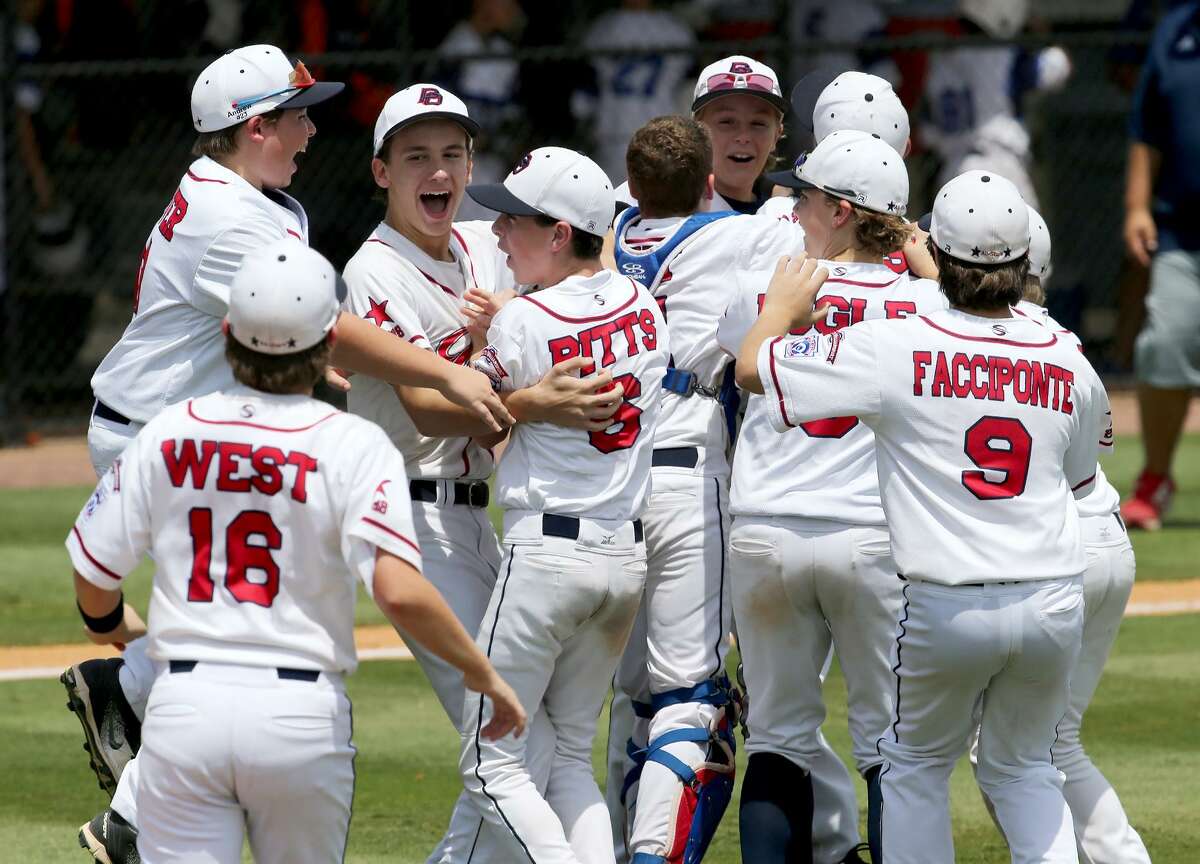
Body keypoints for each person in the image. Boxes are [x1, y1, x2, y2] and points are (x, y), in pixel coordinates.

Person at [61, 44, 510, 863]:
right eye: (297, 115)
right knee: (241, 614)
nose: (311, 128)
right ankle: (130, 809)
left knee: (233, 605)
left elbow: (306, 323)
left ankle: (126, 693)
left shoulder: (251, 194)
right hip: (159, 433)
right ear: (254, 126)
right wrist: (448, 368)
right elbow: (335, 323)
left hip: (188, 422)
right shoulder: (229, 213)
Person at [736, 171, 1111, 864]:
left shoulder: (899, 340)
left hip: (945, 602)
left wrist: (781, 307)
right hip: (1053, 598)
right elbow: (1080, 481)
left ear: (936, 248)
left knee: (911, 768)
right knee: (1028, 770)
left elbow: (754, 369)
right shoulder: (1067, 353)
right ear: (1023, 264)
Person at [341, 83, 626, 864]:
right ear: (381, 172)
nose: (440, 172)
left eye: (453, 154)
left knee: (506, 744)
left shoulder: (482, 240)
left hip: (479, 520)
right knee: (507, 739)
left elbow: (580, 262)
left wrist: (508, 308)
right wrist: (529, 401)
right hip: (414, 520)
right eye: (417, 157)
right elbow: (428, 410)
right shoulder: (372, 271)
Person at [717, 129, 945, 864]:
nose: (795, 203)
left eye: (809, 195)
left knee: (779, 737)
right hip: (873, 539)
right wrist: (930, 274)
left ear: (842, 212)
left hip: (765, 532)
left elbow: (719, 358)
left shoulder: (769, 286)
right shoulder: (926, 307)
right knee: (889, 740)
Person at [461, 146, 667, 864]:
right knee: (571, 758)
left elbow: (471, 410)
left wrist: (504, 367)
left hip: (548, 555)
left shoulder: (525, 320)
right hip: (623, 554)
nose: (496, 234)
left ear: (557, 233)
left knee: (491, 762)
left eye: (513, 221)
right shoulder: (643, 301)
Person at [609, 116, 806, 864]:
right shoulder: (741, 237)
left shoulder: (606, 235)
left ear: (631, 186)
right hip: (686, 467)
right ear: (705, 183)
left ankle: (614, 838)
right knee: (689, 695)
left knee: (634, 699)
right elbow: (799, 230)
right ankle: (654, 855)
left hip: (608, 477)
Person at [967, 206, 1151, 864]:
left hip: (1055, 555)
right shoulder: (1061, 341)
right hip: (1104, 535)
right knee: (1049, 743)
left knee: (1013, 754)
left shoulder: (966, 335)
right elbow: (1097, 440)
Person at [1120, 0, 1200, 530]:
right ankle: (1154, 477)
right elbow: (1146, 128)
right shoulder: (1176, 28)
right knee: (1166, 342)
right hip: (1182, 229)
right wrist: (1137, 205)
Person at [920, 0, 1072, 209]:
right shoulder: (1005, 54)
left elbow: (928, 132)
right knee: (1025, 240)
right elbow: (1058, 67)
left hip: (951, 172)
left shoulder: (942, 59)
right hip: (1001, 166)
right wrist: (1042, 34)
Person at [579, 0, 695, 182]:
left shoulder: (603, 28)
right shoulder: (675, 29)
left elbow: (584, 97)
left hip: (614, 126)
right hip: (662, 124)